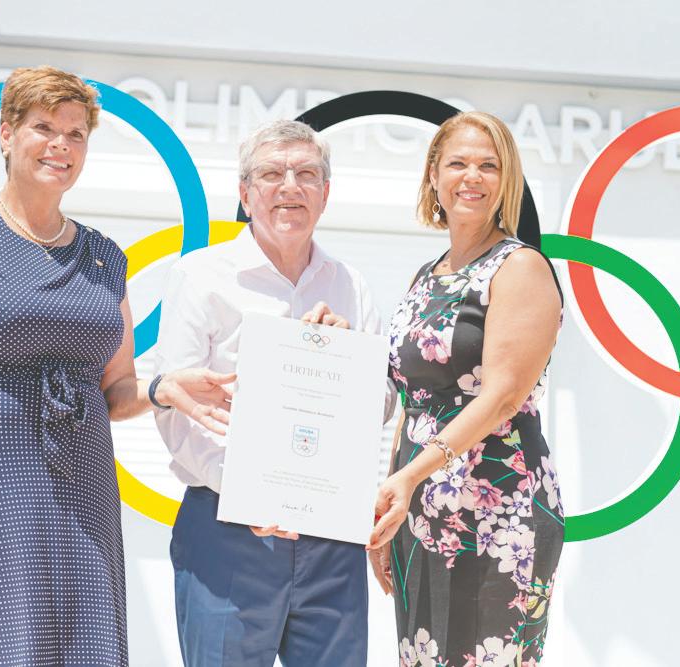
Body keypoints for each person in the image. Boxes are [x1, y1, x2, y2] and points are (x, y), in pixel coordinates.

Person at [0, 66, 233, 667]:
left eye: (76, 134)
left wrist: (162, 388)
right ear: (7, 135)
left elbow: (115, 390)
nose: (61, 145)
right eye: (44, 128)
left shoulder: (104, 258)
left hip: (77, 500)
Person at [153, 119, 388, 667]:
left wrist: (347, 361)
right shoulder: (202, 275)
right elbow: (177, 413)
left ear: (325, 193)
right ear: (245, 193)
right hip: (227, 527)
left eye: (306, 174)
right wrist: (247, 491)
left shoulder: (350, 285)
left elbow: (381, 406)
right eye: (271, 174)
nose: (289, 187)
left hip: (331, 537)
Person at [367, 111, 565, 667]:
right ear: (434, 175)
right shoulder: (426, 276)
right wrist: (394, 498)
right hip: (421, 506)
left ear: (507, 180)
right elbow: (412, 401)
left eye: (488, 166)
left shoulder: (520, 267)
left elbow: (502, 396)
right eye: (457, 163)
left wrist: (410, 476)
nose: (471, 177)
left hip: (499, 503)